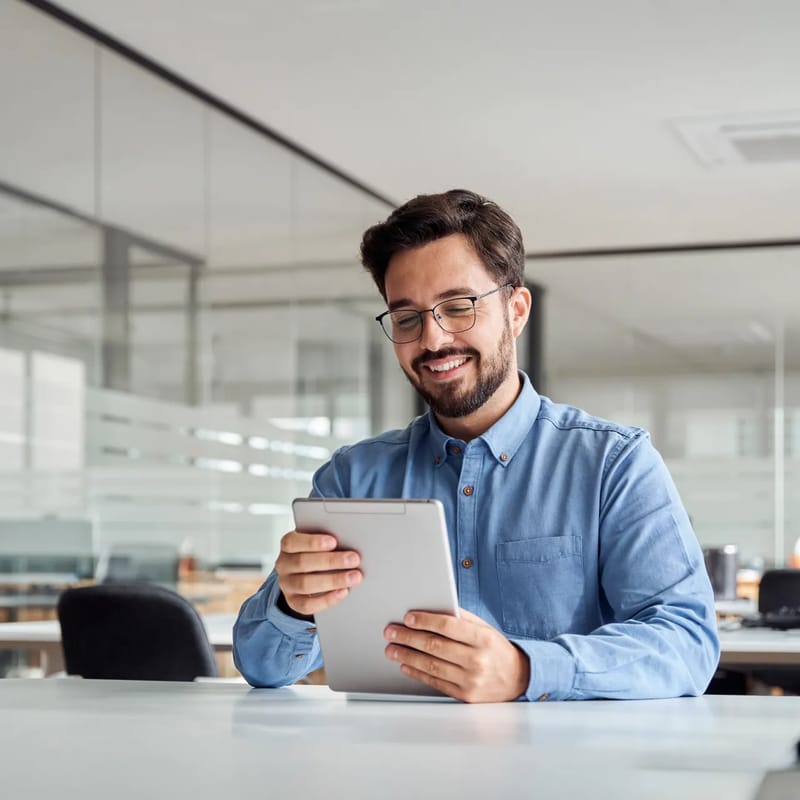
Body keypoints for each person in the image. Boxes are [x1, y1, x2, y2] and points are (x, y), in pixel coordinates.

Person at [233, 189, 720, 702]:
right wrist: (294, 604)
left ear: (516, 309)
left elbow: (687, 644)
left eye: (458, 307)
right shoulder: (354, 478)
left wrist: (528, 670)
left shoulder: (613, 464)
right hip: (388, 771)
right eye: (407, 318)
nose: (433, 339)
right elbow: (263, 668)